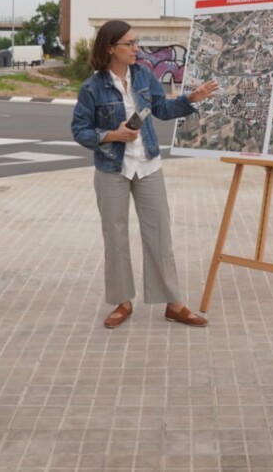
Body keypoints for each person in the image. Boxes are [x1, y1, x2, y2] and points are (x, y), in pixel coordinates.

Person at [71, 19, 219, 329]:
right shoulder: (92, 87)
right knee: (115, 236)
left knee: (160, 236)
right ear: (111, 48)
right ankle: (123, 302)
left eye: (136, 42)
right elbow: (80, 131)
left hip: (148, 164)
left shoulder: (143, 76)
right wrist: (112, 135)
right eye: (131, 43)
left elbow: (162, 110)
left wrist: (191, 99)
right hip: (112, 168)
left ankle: (173, 303)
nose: (137, 48)